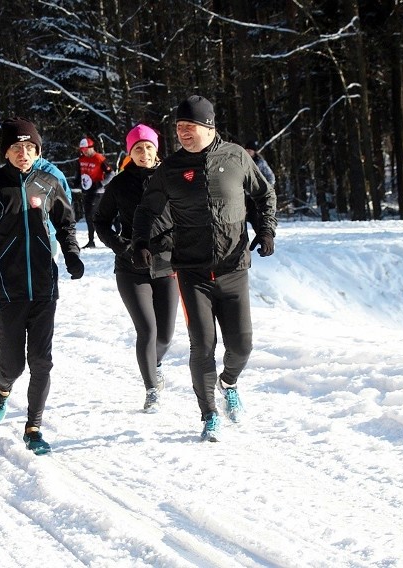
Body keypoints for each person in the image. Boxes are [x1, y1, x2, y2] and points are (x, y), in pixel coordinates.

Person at [131, 95, 277, 442]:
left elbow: (264, 194)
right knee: (202, 345)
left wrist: (267, 229)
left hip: (234, 267)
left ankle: (229, 383)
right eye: (178, 128)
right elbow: (146, 211)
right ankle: (209, 414)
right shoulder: (170, 169)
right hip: (193, 272)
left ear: (208, 127)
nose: (182, 133)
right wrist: (139, 242)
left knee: (242, 345)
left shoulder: (236, 156)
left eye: (189, 127)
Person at [0, 117, 83, 455]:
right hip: (5, 290)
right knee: (14, 364)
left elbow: (66, 223)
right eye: (16, 147)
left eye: (30, 147)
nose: (23, 153)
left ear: (38, 150)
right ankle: (1, 389)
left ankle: (34, 428)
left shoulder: (48, 183)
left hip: (44, 287)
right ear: (6, 151)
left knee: (41, 361)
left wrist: (71, 255)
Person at [95, 124, 177, 413]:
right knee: (147, 330)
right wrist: (122, 247)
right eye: (138, 148)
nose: (144, 153)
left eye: (149, 147)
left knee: (165, 335)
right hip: (131, 269)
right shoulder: (119, 184)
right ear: (130, 153)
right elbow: (101, 221)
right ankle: (152, 389)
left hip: (167, 265)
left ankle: (155, 365)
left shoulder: (172, 178)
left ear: (157, 150)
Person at [77, 136, 112, 248]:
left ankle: (106, 237)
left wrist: (101, 183)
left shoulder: (99, 159)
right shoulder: (81, 159)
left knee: (93, 215)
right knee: (88, 216)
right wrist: (77, 182)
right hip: (87, 190)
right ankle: (91, 240)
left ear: (91, 147)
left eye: (86, 149)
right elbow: (79, 173)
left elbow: (111, 173)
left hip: (97, 192)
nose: (84, 152)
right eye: (82, 150)